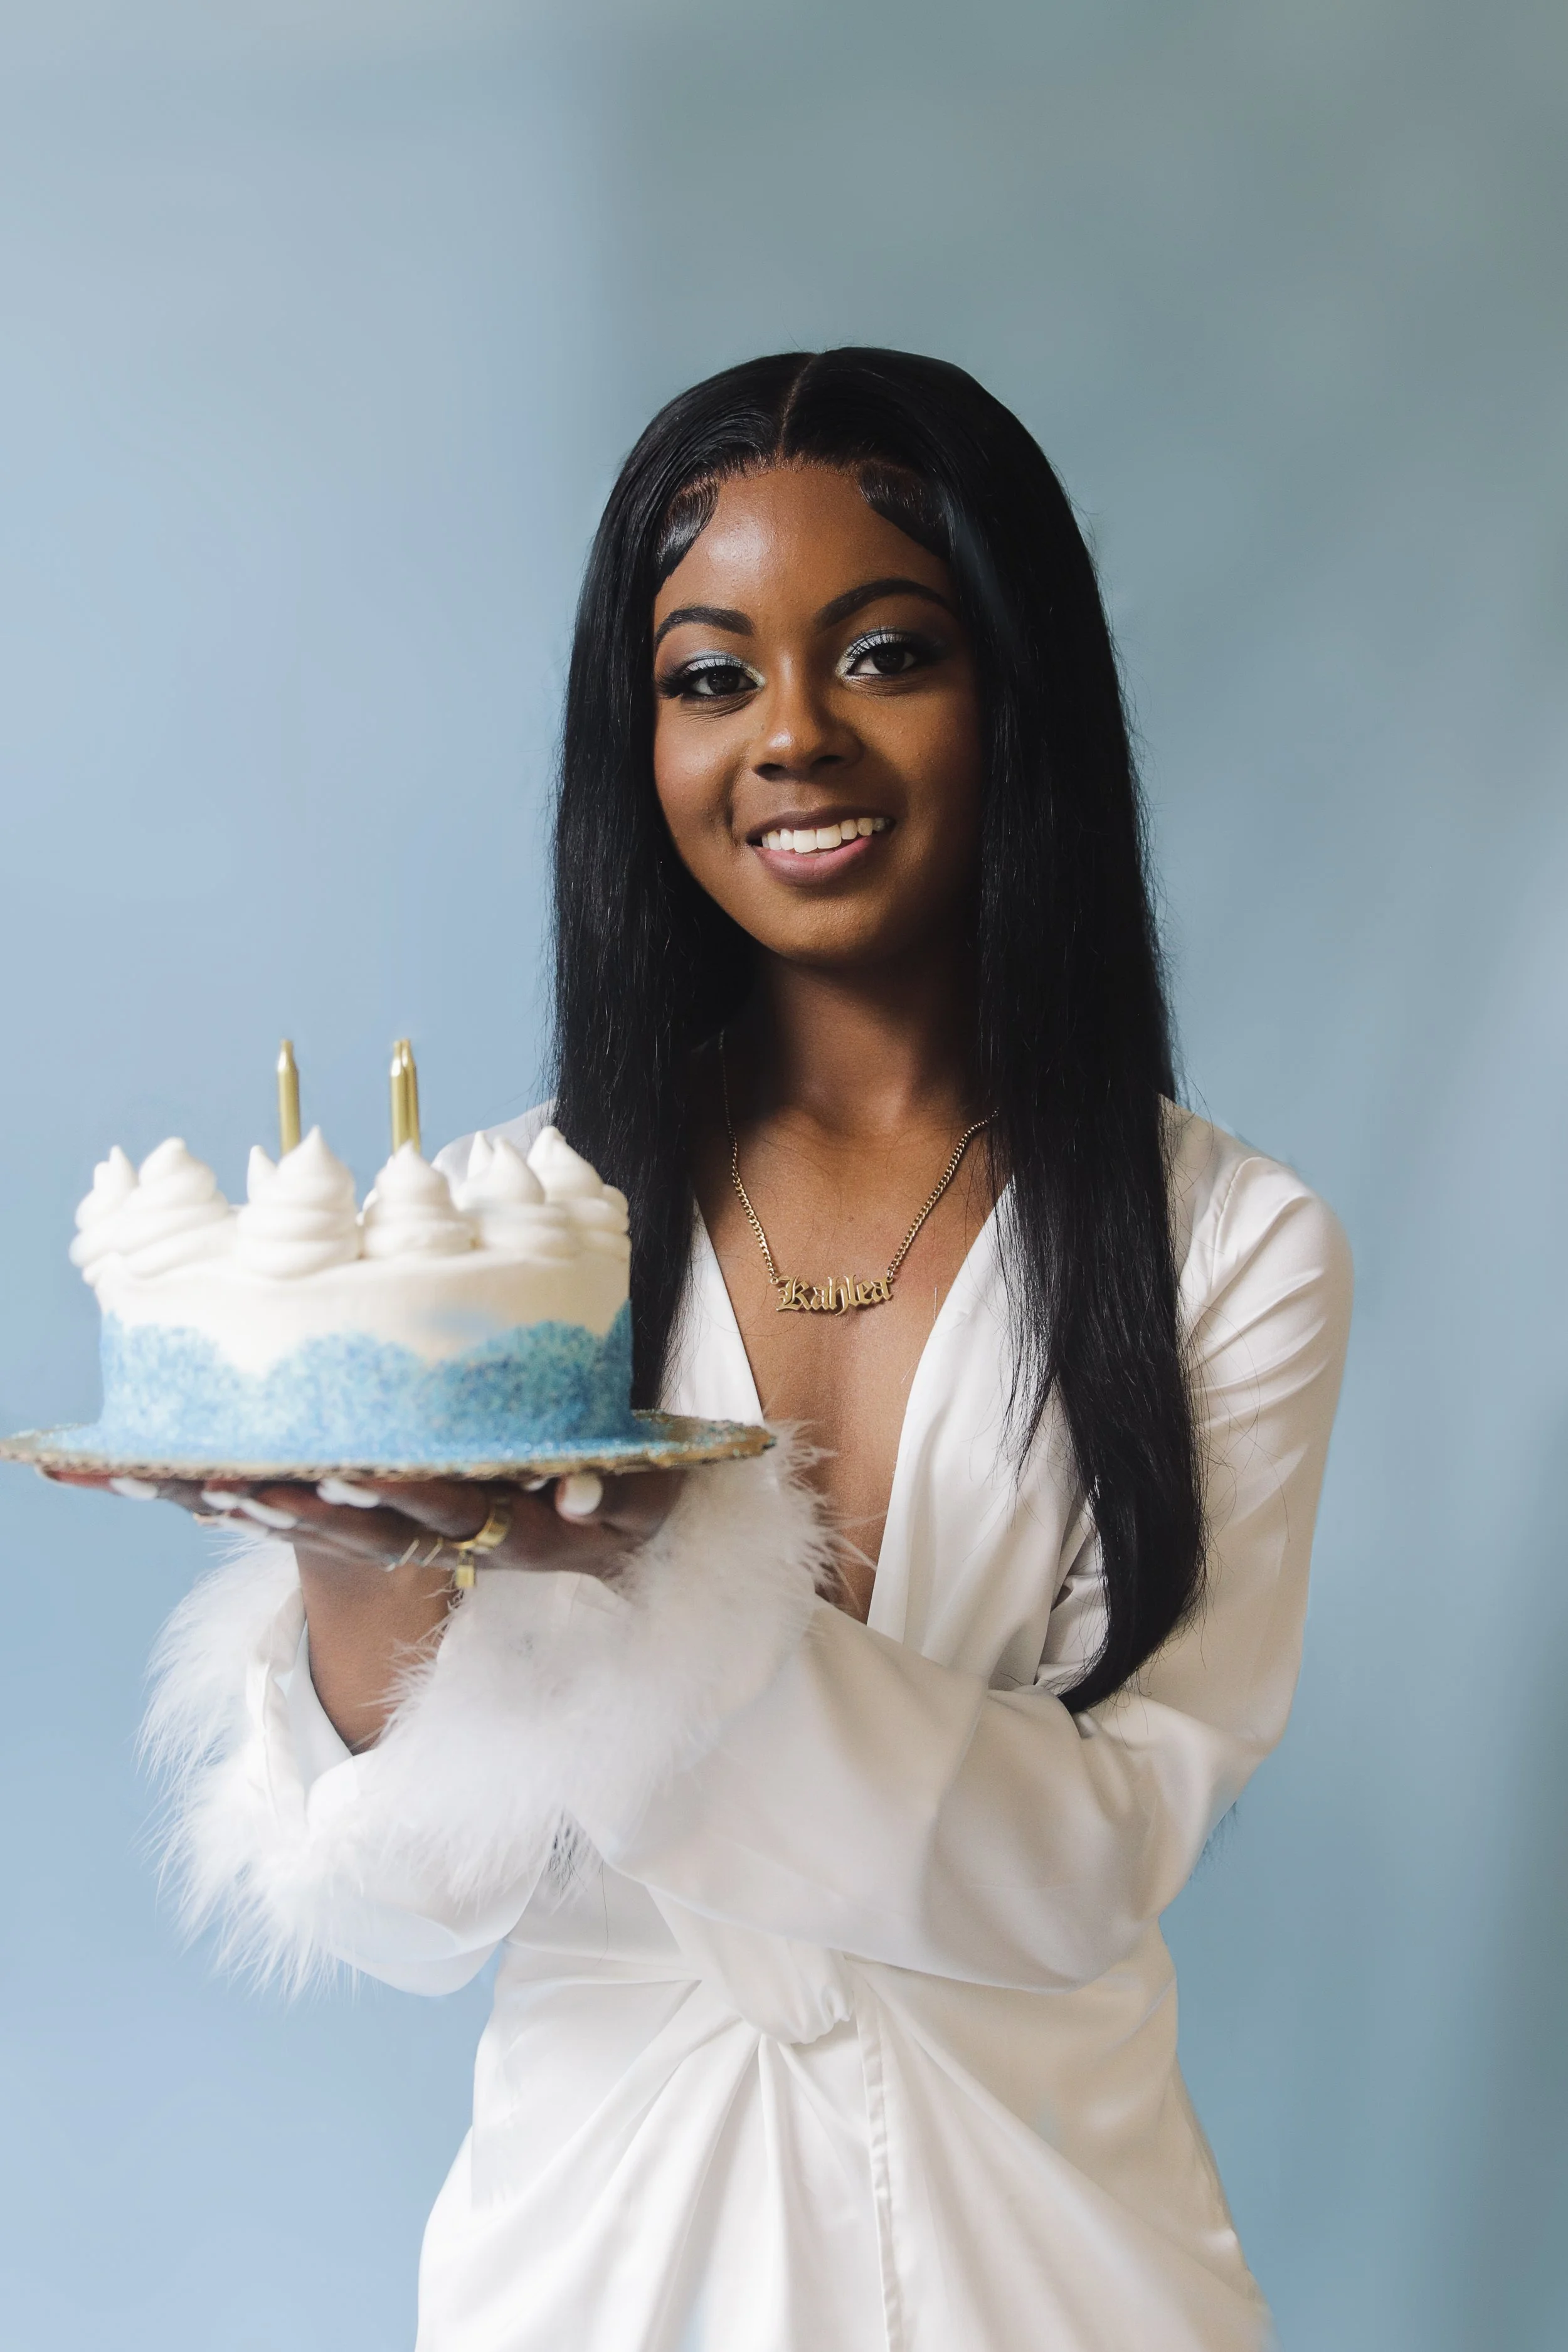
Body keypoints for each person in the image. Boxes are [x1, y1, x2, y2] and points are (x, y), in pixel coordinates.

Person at [82, 350, 1352, 2350]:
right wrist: (356, 1559)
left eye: (882, 653)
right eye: (707, 675)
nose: (790, 740)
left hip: (1047, 2246)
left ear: (1017, 691)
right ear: (637, 735)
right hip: (597, 2250)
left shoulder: (1227, 1249)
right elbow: (407, 1918)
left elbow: (1087, 1861)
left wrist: (648, 1584)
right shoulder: (501, 1240)